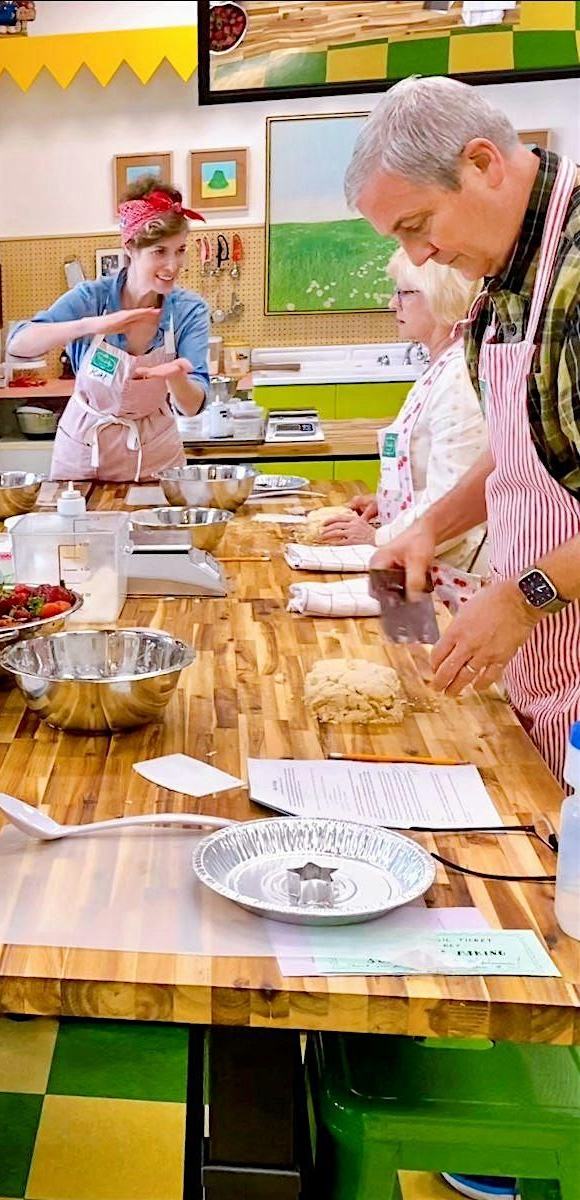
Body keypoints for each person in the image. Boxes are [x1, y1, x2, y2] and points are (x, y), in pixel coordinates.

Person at [347, 80, 579, 1197]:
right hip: (541, 657)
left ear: (484, 165)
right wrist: (430, 524)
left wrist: (527, 589)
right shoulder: (507, 276)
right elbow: (529, 442)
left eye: (414, 227)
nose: (420, 255)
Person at [5, 177, 210, 482]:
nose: (173, 264)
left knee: (160, 530)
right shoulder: (92, 298)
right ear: (130, 248)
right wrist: (91, 325)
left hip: (155, 453)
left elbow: (192, 406)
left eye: (179, 250)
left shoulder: (188, 310)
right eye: (159, 252)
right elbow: (18, 344)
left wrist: (175, 377)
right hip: (83, 449)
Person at [319, 248, 489, 573]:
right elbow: (431, 471)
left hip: (448, 573)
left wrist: (378, 538)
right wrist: (389, 502)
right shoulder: (442, 367)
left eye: (404, 293)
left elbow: (450, 499)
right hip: (423, 560)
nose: (392, 304)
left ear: (440, 295)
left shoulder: (457, 378)